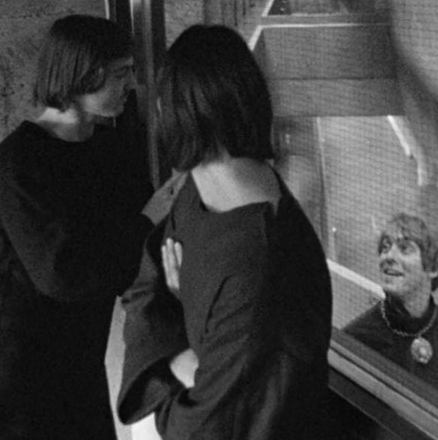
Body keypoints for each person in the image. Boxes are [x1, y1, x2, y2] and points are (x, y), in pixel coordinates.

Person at [0, 14, 178, 440]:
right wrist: (147, 221)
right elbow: (63, 276)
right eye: (120, 73)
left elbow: (138, 241)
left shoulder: (109, 149)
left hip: (76, 370)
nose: (131, 84)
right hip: (15, 383)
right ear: (82, 74)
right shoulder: (19, 165)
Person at [116, 24, 333, 439]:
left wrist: (166, 360)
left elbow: (207, 427)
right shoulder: (198, 186)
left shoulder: (257, 262)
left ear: (175, 113)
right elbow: (144, 283)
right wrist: (184, 354)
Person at [343, 212, 438, 415]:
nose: (388, 257)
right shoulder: (356, 340)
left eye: (404, 249)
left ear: (433, 268)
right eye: (385, 248)